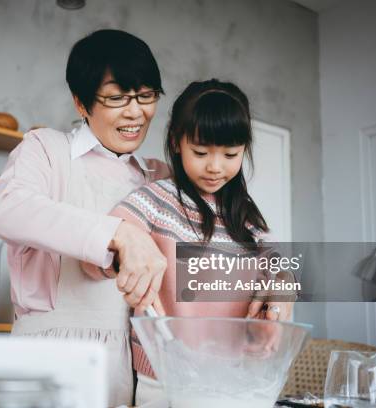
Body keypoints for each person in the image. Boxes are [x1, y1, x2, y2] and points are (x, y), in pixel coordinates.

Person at [81, 79, 296, 404]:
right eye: (200, 152)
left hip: (234, 374)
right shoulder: (155, 200)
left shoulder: (245, 217)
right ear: (176, 142)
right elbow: (96, 250)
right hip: (164, 380)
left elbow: (281, 266)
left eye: (230, 154)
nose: (215, 166)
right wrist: (119, 250)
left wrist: (282, 289)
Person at [0, 29, 170, 407]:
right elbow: (8, 208)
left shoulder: (158, 176)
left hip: (132, 361)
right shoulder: (46, 149)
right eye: (117, 97)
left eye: (146, 95)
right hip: (49, 354)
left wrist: (278, 280)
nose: (135, 111)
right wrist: (119, 233)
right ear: (81, 103)